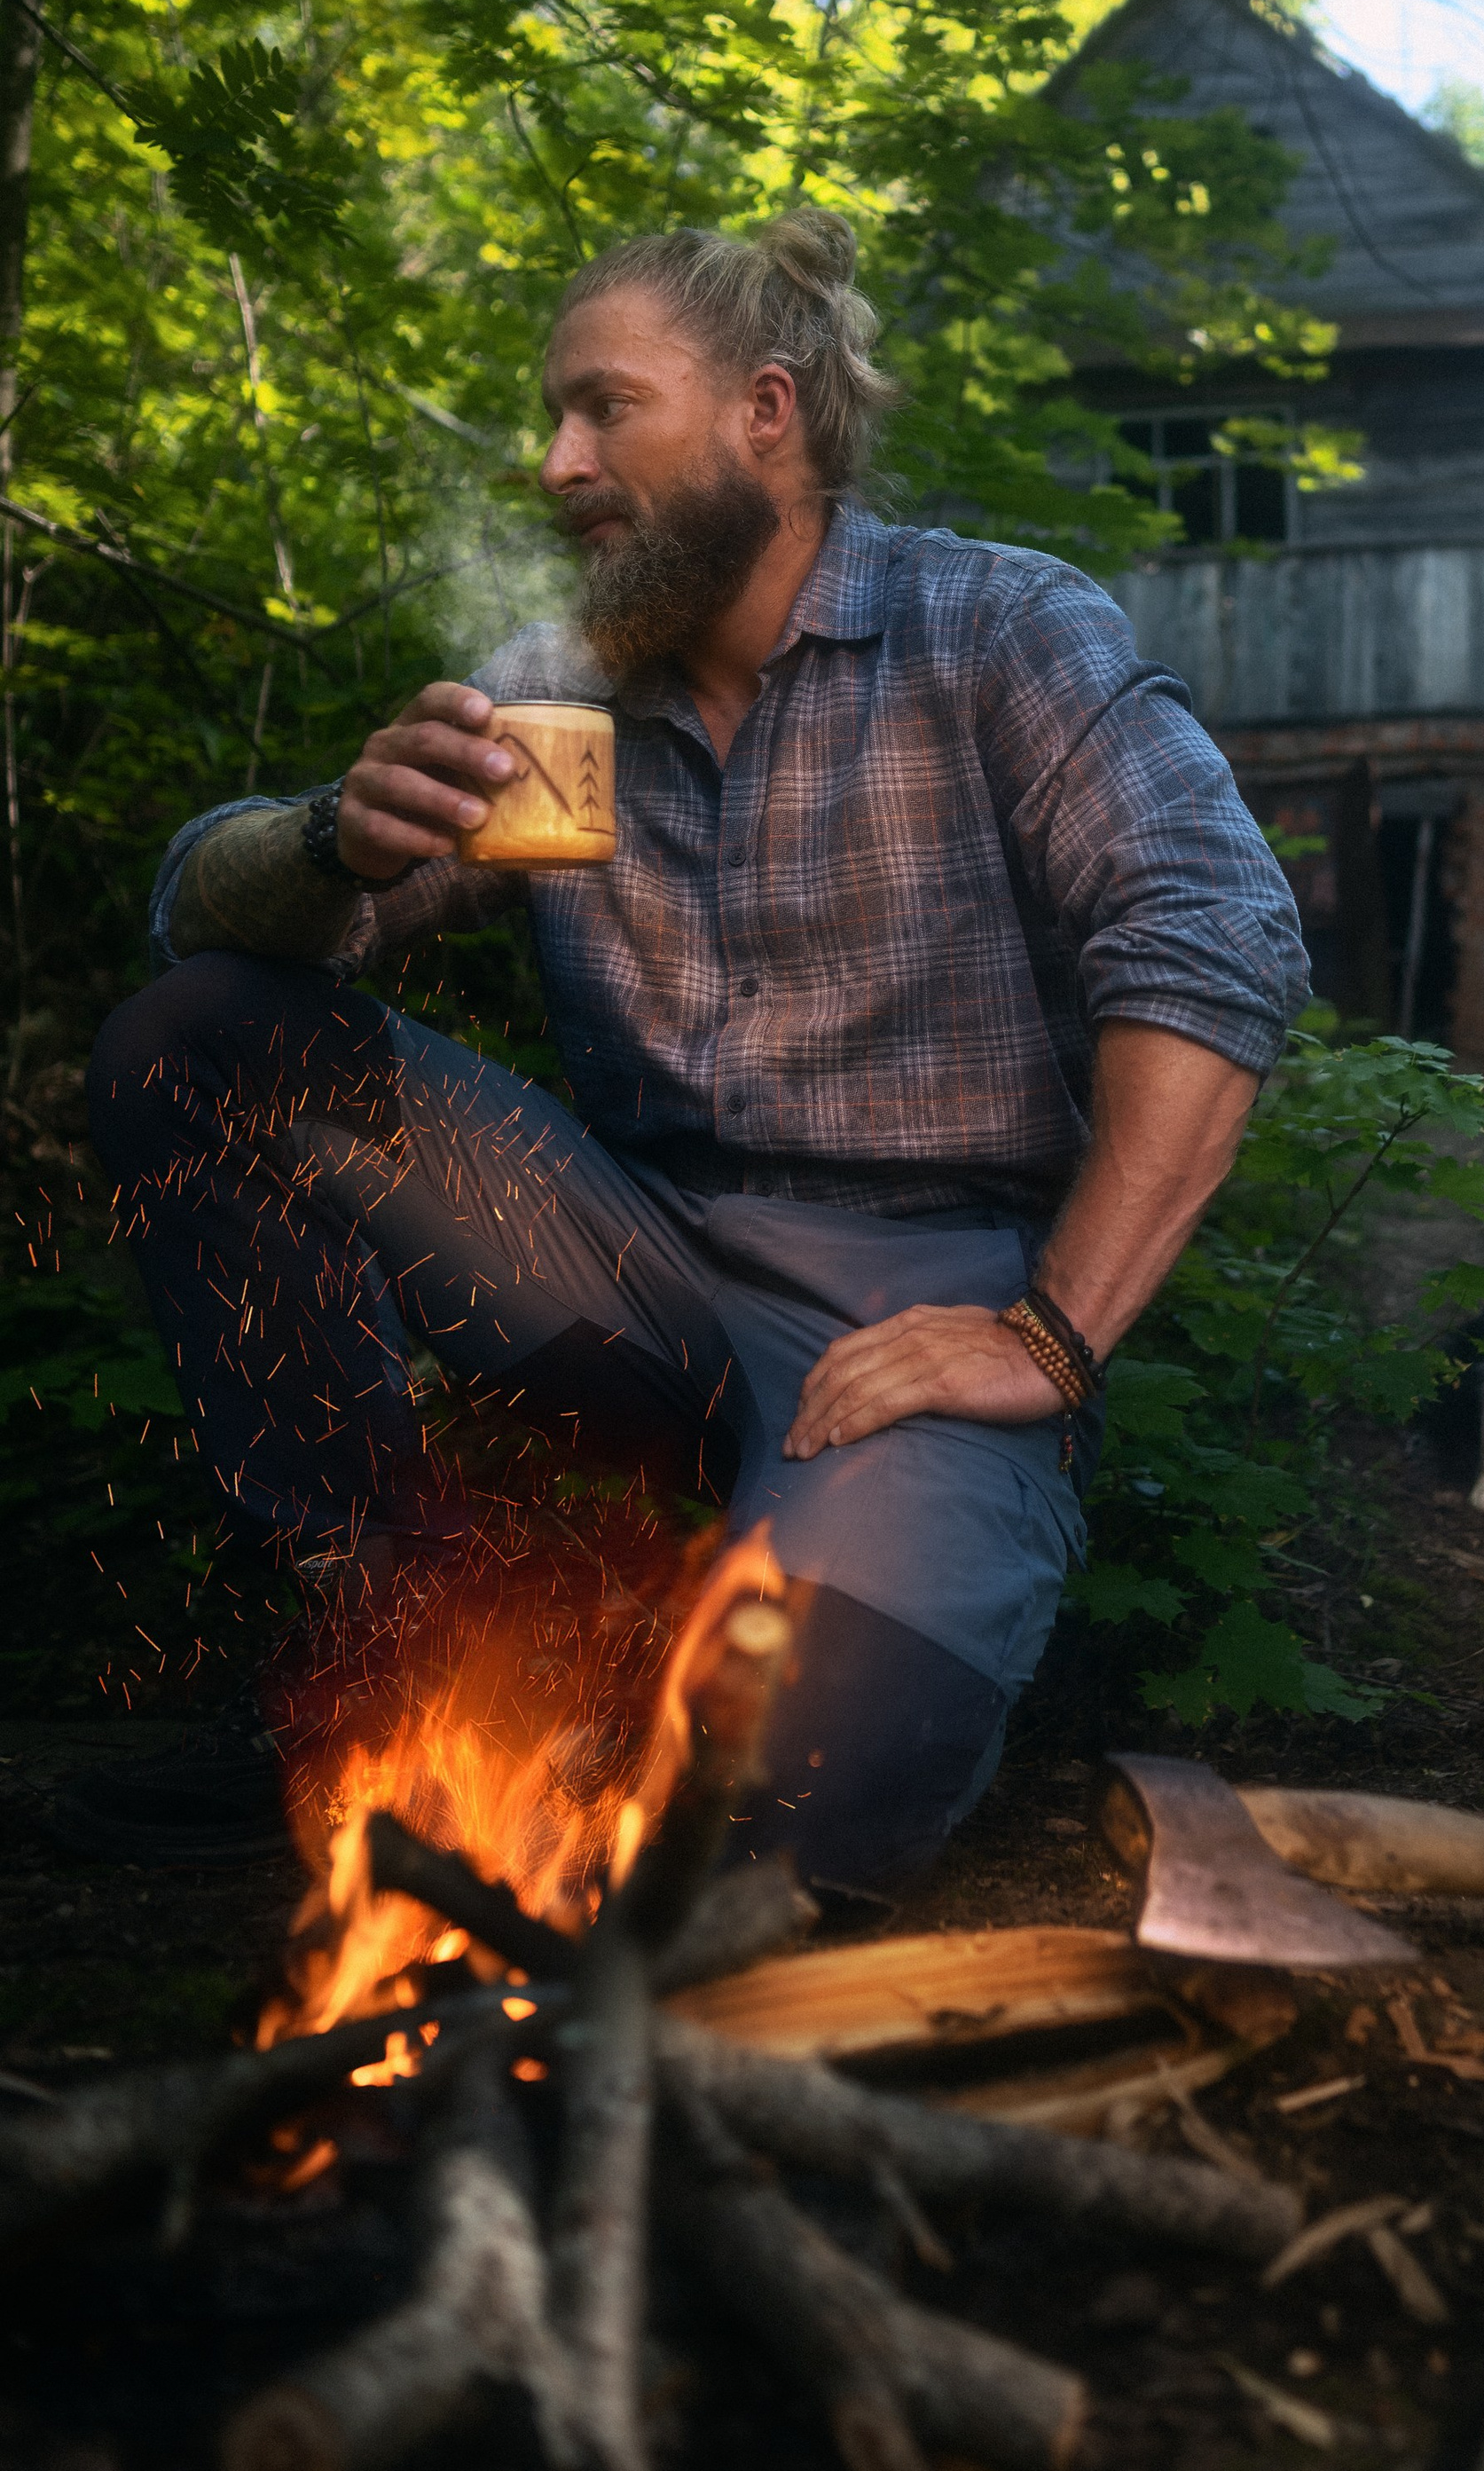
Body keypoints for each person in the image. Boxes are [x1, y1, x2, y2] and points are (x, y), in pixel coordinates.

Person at [71, 212, 1307, 1880]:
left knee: (785, 1807)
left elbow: (1218, 936)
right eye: (553, 420)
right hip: (623, 1262)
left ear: (765, 415)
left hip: (909, 1299)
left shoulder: (997, 632)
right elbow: (199, 918)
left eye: (605, 409)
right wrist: (332, 842)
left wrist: (1054, 1336)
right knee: (199, 1037)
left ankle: (716, 1654)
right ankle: (377, 1658)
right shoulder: (559, 693)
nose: (556, 461)